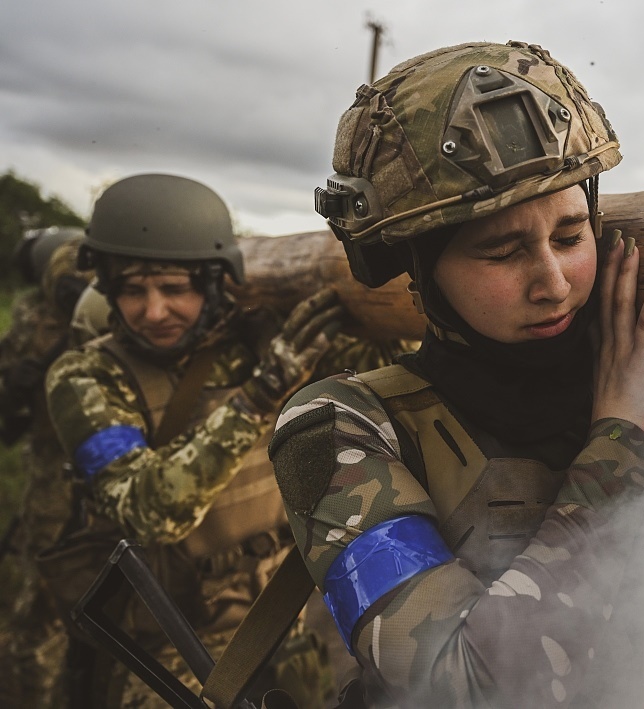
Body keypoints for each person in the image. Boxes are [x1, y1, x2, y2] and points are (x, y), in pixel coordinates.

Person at [269, 41, 644, 708]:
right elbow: (460, 688)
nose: (553, 283)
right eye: (501, 251)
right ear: (422, 267)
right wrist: (618, 446)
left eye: (570, 237)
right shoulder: (339, 427)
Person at [44, 173, 411, 708]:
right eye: (132, 290)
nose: (153, 311)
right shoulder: (86, 375)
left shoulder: (261, 339)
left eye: (175, 289)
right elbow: (149, 512)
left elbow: (392, 382)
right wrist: (260, 393)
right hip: (164, 653)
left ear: (215, 284)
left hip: (276, 626)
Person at [0, 226, 91, 708]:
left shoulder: (115, 312)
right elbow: (9, 417)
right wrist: (16, 385)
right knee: (43, 605)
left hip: (109, 474)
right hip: (53, 477)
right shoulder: (33, 319)